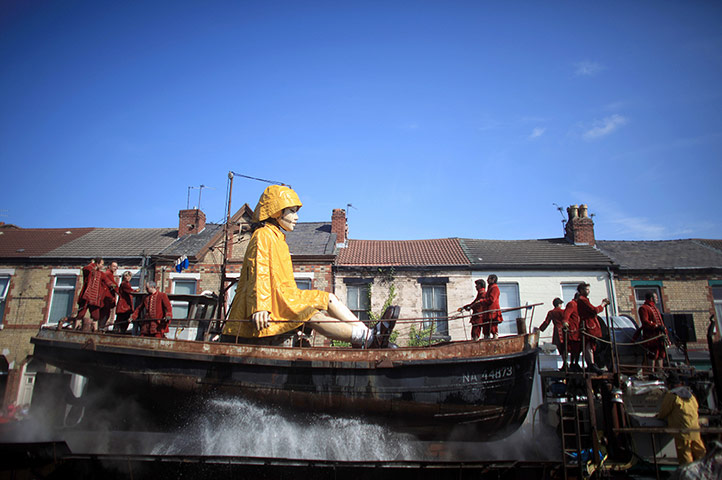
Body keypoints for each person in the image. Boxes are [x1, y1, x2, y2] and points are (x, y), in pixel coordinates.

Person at [222, 185, 382, 348]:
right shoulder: (263, 235)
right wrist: (260, 307)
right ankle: (365, 338)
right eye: (291, 211)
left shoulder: (278, 238)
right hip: (274, 302)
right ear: (276, 211)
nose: (296, 217)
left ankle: (369, 333)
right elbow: (259, 270)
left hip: (285, 297)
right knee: (309, 314)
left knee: (328, 298)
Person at [657, 372, 706, 464]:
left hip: (682, 431)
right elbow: (696, 407)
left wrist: (659, 417)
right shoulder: (690, 396)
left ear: (670, 385)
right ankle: (705, 470)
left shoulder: (672, 396)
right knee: (700, 452)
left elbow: (664, 411)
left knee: (685, 456)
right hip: (695, 429)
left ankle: (688, 475)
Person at [576, 282, 610, 375]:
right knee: (589, 344)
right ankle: (591, 364)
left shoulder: (583, 299)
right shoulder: (582, 299)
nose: (588, 291)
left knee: (590, 345)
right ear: (581, 290)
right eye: (586, 289)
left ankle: (592, 363)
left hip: (589, 323)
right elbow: (594, 310)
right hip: (588, 324)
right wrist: (602, 304)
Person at [639, 292, 669, 374]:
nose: (657, 299)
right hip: (651, 337)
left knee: (661, 355)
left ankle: (660, 372)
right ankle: (651, 373)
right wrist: (656, 326)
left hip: (659, 337)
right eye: (655, 297)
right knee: (652, 355)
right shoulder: (644, 308)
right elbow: (645, 321)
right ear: (651, 298)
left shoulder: (655, 308)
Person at [539, 298, 567, 370]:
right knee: (565, 347)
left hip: (556, 331)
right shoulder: (563, 312)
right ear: (559, 304)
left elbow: (546, 322)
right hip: (564, 330)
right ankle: (565, 363)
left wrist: (540, 329)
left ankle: (565, 363)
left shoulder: (551, 312)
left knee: (560, 347)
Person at [75, 257, 102, 328]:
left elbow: (108, 281)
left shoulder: (100, 273)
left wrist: (114, 286)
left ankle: (95, 330)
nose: (102, 266)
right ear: (97, 264)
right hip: (86, 296)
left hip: (94, 298)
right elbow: (85, 268)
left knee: (96, 316)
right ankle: (75, 327)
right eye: (101, 264)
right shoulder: (89, 270)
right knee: (80, 314)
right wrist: (93, 265)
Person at [479, 274, 503, 339]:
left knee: (493, 327)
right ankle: (487, 338)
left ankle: (495, 338)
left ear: (493, 280)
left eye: (489, 279)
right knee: (487, 326)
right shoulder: (490, 288)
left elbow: (492, 299)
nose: (487, 280)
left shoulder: (495, 288)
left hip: (492, 311)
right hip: (488, 311)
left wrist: (482, 301)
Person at [564, 293, 582, 370]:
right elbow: (567, 314)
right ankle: (572, 363)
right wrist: (565, 322)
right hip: (573, 330)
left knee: (578, 348)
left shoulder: (580, 306)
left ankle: (576, 363)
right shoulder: (572, 304)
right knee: (573, 347)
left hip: (578, 330)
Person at [99, 261, 118, 331]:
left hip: (107, 299)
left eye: (116, 267)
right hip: (106, 298)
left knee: (106, 314)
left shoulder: (110, 274)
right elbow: (114, 285)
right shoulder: (108, 274)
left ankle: (100, 327)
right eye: (114, 266)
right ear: (109, 266)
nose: (115, 268)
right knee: (104, 314)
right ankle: (100, 328)